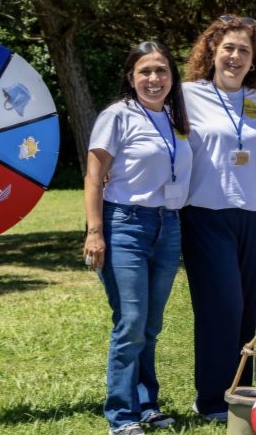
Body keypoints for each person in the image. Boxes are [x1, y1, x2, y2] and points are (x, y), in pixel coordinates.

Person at [83, 41, 191, 435]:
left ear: (172, 76)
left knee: (151, 324)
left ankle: (147, 405)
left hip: (168, 227)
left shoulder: (175, 119)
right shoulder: (117, 116)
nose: (154, 78)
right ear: (131, 77)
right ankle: (121, 416)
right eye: (145, 71)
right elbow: (94, 176)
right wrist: (95, 232)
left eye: (161, 70)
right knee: (130, 321)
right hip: (124, 225)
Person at [180, 14, 256, 422]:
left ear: (254, 60)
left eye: (244, 51)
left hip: (251, 215)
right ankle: (211, 400)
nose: (235, 57)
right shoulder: (186, 95)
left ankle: (240, 393)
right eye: (228, 49)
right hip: (205, 213)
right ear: (211, 53)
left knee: (244, 312)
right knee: (222, 307)